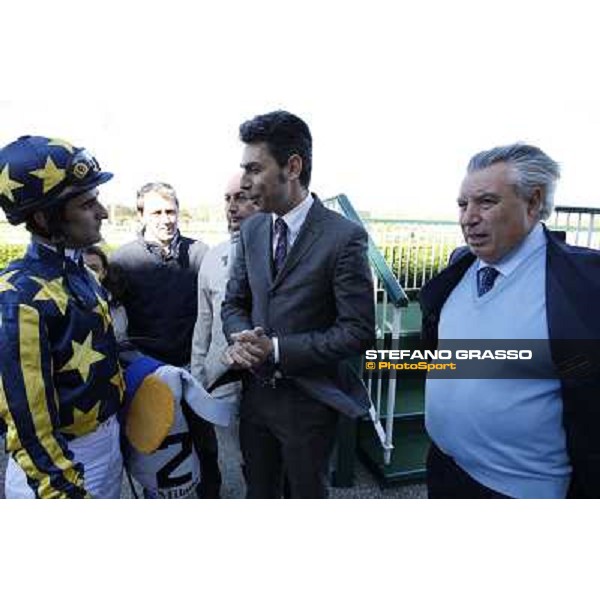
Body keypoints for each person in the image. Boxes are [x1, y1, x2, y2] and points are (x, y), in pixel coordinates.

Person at [421, 143, 600, 499]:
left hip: (522, 490)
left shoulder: (585, 282)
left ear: (533, 203)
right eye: (462, 204)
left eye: (486, 202)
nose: (467, 218)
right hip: (444, 470)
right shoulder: (460, 267)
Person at [221, 110, 375, 498]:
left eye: (254, 169)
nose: (245, 181)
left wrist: (275, 350)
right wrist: (241, 340)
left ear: (292, 167)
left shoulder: (345, 238)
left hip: (309, 407)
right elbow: (234, 302)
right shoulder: (253, 228)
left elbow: (357, 331)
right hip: (254, 402)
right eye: (244, 169)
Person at [0, 135, 125, 498]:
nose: (102, 212)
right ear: (44, 217)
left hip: (106, 446)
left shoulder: (81, 271)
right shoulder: (16, 295)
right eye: (88, 204)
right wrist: (60, 490)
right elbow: (27, 424)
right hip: (60, 465)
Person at [111, 182, 221, 498]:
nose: (166, 219)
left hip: (192, 370)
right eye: (156, 212)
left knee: (205, 446)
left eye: (170, 211)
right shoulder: (123, 260)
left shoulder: (199, 253)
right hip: (149, 375)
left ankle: (211, 498)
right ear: (141, 215)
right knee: (156, 448)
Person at [190, 173, 259, 497]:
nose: (232, 207)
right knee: (231, 464)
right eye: (228, 199)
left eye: (241, 197)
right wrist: (197, 373)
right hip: (220, 381)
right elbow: (203, 322)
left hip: (267, 383)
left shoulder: (280, 254)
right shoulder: (211, 258)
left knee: (265, 468)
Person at [83, 245, 129, 343]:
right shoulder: (63, 301)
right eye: (82, 267)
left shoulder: (115, 308)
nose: (87, 272)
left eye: (94, 268)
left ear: (104, 273)